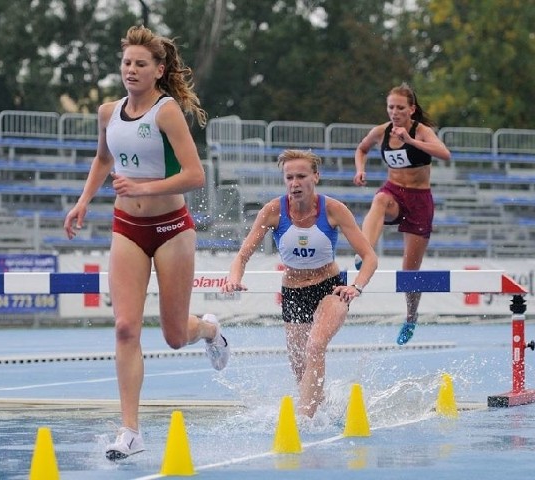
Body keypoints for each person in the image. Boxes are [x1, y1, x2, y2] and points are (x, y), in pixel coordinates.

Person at [63, 25, 230, 461]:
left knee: (175, 336)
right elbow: (103, 158)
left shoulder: (167, 112)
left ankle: (209, 329)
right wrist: (83, 202)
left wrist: (145, 188)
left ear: (158, 70)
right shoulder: (107, 113)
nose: (131, 70)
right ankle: (131, 430)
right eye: (126, 63)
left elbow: (196, 176)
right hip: (126, 229)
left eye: (140, 64)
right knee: (124, 327)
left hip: (171, 228)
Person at [222, 149, 377, 418]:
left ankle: (305, 421)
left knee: (315, 346)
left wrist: (356, 287)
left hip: (330, 288)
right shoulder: (272, 211)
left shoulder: (334, 209)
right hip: (293, 293)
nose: (295, 183)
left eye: (301, 176)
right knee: (300, 366)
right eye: (289, 177)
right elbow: (242, 255)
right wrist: (234, 279)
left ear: (315, 177)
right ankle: (321, 408)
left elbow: (369, 257)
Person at [353, 83, 451, 345]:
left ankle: (410, 315)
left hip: (419, 200)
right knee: (380, 198)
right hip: (394, 192)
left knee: (409, 274)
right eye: (390, 107)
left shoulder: (422, 131)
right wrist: (360, 169)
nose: (394, 112)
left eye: (399, 108)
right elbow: (361, 149)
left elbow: (445, 154)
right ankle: (365, 251)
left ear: (411, 109)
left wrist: (411, 141)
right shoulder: (380, 132)